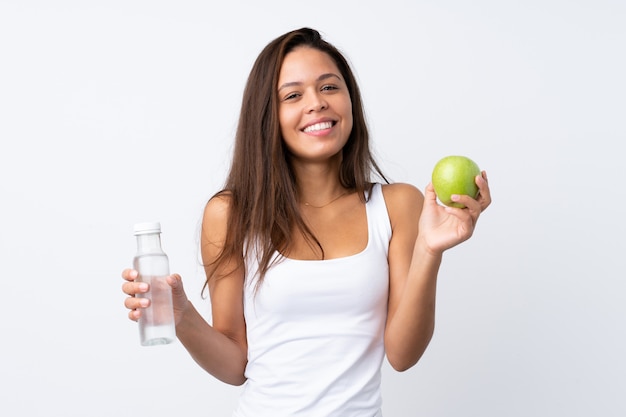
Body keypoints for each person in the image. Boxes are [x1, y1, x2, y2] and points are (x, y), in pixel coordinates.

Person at [122, 27, 491, 417]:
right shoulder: (230, 214)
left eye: (329, 87)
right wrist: (180, 316)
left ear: (350, 100)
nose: (316, 103)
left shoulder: (398, 204)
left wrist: (429, 250)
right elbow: (235, 366)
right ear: (268, 115)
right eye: (293, 95)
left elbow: (402, 354)